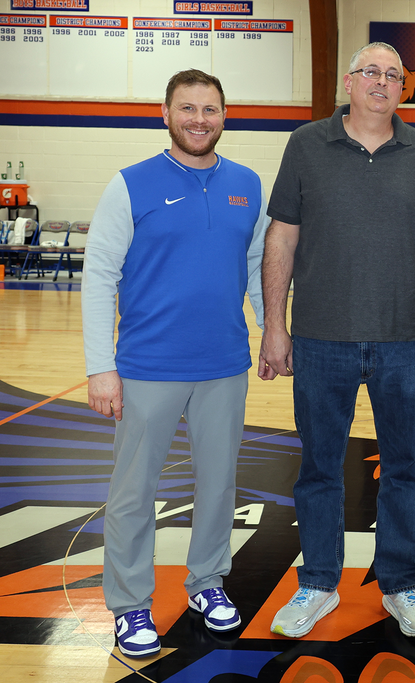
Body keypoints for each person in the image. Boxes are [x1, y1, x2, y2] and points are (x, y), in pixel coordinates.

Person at [259, 42, 415, 639]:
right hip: (320, 337)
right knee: (320, 467)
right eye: (371, 72)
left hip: (405, 338)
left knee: (405, 466)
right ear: (349, 82)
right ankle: (319, 583)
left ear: (404, 88)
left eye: (393, 75)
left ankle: (401, 583)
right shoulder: (305, 144)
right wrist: (274, 325)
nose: (381, 82)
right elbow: (280, 241)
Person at [82, 69, 268, 657]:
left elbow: (263, 269)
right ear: (165, 115)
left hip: (224, 365)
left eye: (209, 109)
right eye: (186, 109)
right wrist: (99, 366)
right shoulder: (130, 184)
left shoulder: (247, 184)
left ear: (224, 115)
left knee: (218, 486)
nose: (198, 120)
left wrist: (273, 335)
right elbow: (98, 277)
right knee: (134, 492)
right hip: (145, 367)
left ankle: (206, 583)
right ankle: (131, 604)